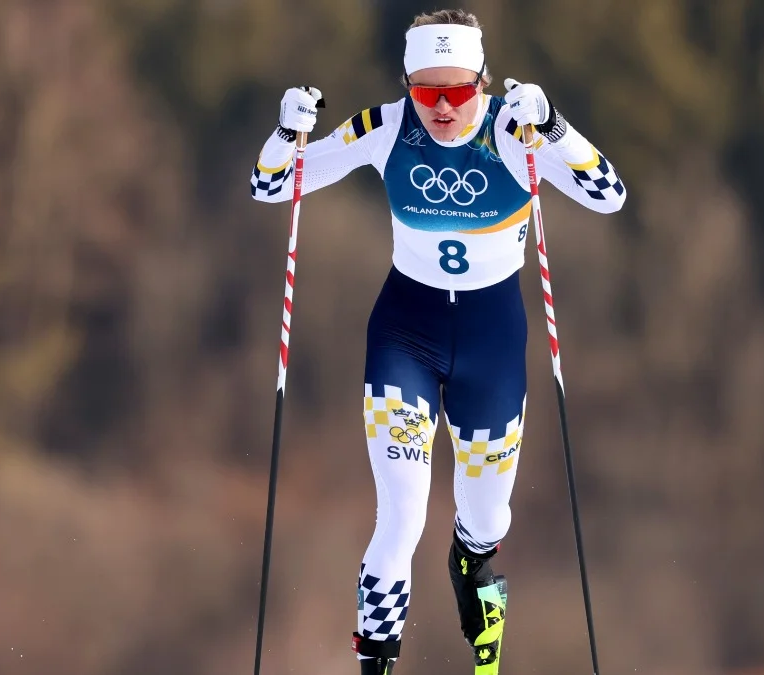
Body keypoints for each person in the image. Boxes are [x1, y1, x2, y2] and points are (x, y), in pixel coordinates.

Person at [250, 8, 626, 674]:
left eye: (458, 91)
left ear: (484, 81)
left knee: (485, 518)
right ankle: (376, 663)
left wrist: (557, 129)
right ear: (406, 84)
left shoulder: (514, 130)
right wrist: (286, 134)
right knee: (399, 517)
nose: (444, 108)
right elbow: (274, 185)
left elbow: (609, 195)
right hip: (407, 335)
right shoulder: (385, 127)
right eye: (427, 92)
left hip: (493, 344)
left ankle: (472, 558)